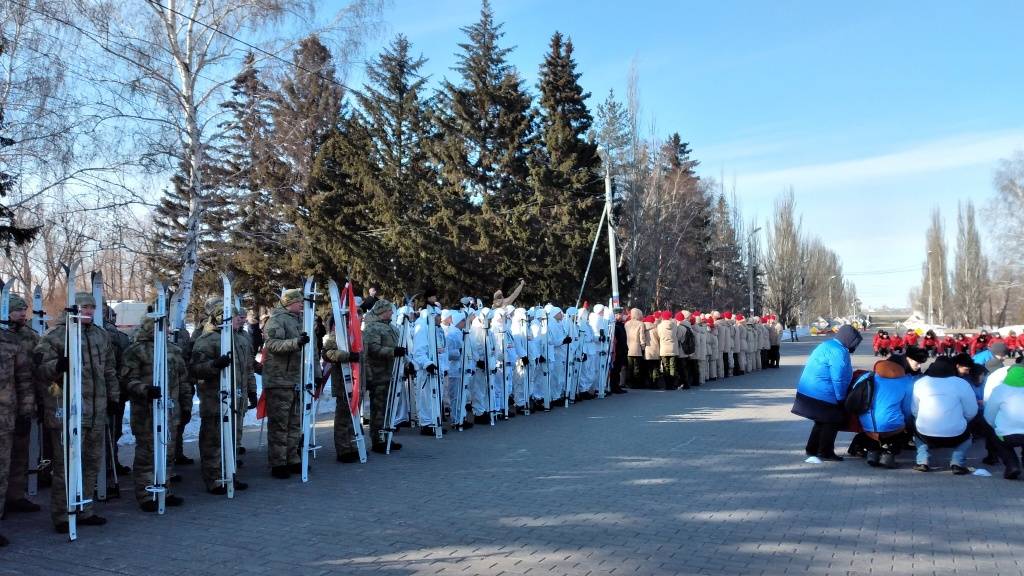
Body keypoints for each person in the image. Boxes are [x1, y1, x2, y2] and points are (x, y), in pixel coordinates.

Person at [34, 291, 119, 533]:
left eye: (92, 307)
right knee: (66, 465)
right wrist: (56, 366)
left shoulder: (101, 335)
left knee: (92, 462)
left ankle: (85, 508)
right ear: (72, 309)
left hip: (96, 410)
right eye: (84, 307)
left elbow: (109, 369)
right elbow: (40, 370)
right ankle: (63, 514)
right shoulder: (56, 335)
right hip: (67, 410)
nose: (89, 311)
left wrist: (113, 397)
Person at [121, 314, 191, 510]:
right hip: (146, 412)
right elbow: (127, 380)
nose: (166, 330)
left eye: (167, 326)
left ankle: (164, 488)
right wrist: (145, 389)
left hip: (170, 411)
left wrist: (185, 406)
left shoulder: (174, 351)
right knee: (147, 454)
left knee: (167, 452)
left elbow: (184, 381)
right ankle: (146, 494)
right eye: (162, 326)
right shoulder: (136, 351)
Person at [190, 299, 254, 491]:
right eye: (235, 317)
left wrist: (251, 390)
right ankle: (215, 479)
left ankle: (229, 474)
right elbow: (195, 369)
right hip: (215, 400)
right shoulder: (207, 339)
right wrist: (214, 365)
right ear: (222, 318)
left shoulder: (240, 338)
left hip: (237, 398)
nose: (240, 320)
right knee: (213, 441)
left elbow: (247, 367)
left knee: (233, 439)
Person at [791, 325, 862, 462]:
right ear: (849, 340)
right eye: (855, 343)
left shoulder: (828, 345)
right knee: (832, 420)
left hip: (809, 389)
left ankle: (812, 448)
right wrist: (841, 397)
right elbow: (838, 378)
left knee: (821, 420)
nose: (854, 346)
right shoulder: (839, 352)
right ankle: (825, 451)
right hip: (822, 392)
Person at [261, 289, 309, 479]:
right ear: (289, 303)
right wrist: (295, 342)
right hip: (279, 379)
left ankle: (292, 458)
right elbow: (272, 344)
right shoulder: (277, 320)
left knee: (294, 423)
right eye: (298, 302)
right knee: (280, 424)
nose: (301, 305)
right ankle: (278, 462)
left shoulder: (299, 320)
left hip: (295, 380)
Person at [4, 294, 42, 516]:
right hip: (4, 404)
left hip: (23, 404)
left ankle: (15, 496)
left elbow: (35, 372)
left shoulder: (31, 337)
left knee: (20, 454)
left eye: (23, 310)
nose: (22, 314)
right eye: (17, 310)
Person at [0, 315, 35, 546]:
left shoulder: (10, 342)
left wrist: (25, 411)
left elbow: (24, 380)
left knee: (1, 472)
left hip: (5, 419)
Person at [911, 357, 977, 474]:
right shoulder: (961, 383)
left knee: (917, 432)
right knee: (968, 437)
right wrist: (963, 420)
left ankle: (922, 461)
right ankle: (957, 462)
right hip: (955, 434)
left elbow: (914, 410)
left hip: (925, 433)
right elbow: (972, 410)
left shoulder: (920, 383)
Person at [363, 300, 406, 453]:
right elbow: (373, 349)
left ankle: (387, 436)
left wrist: (406, 365)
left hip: (392, 374)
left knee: (389, 408)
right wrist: (392, 352)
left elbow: (401, 348)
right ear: (382, 312)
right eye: (389, 311)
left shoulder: (392, 328)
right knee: (379, 409)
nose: (392, 313)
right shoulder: (372, 328)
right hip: (378, 374)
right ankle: (378, 439)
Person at [855, 359, 914, 468]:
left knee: (875, 426)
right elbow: (907, 409)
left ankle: (873, 452)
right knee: (904, 427)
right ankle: (889, 455)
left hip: (866, 423)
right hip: (891, 425)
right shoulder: (906, 382)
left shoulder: (867, 376)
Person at [984, 366, 1024, 479]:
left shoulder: (1000, 390)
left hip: (1007, 434)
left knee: (997, 439)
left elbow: (989, 413)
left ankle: (1012, 465)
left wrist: (994, 426)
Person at [624, 308, 647, 389]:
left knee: (629, 366)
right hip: (637, 347)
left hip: (628, 347)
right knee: (636, 366)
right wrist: (643, 346)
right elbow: (642, 337)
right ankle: (636, 383)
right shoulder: (640, 324)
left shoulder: (626, 324)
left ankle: (629, 382)